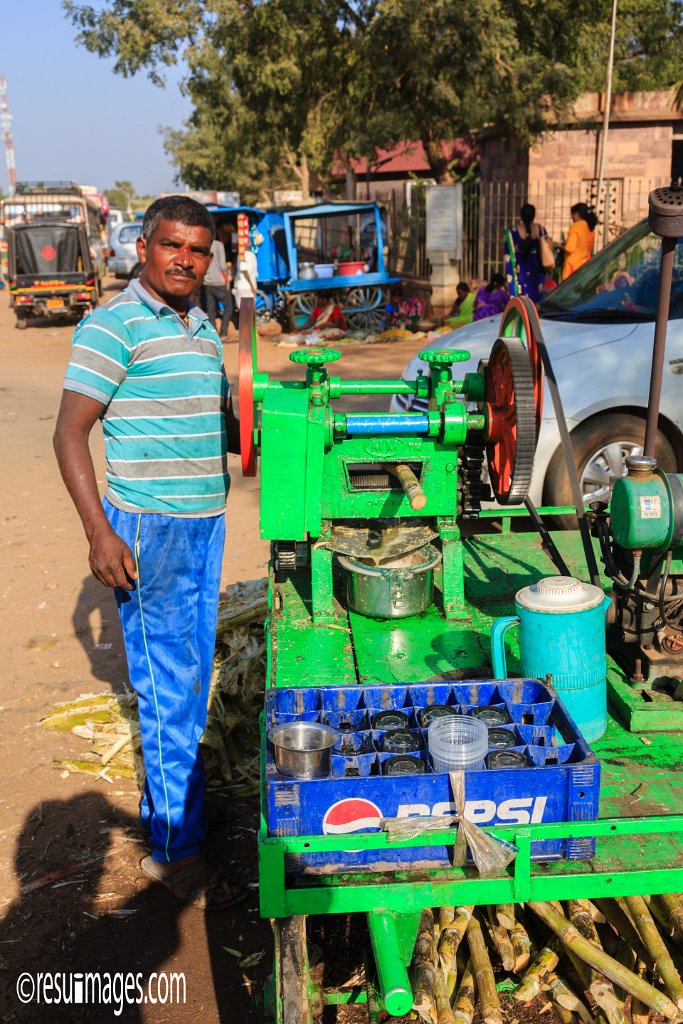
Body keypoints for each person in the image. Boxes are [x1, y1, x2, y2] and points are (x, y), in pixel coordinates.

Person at [52, 195, 245, 912]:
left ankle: (178, 814)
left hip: (205, 525)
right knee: (168, 688)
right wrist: (101, 533)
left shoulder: (202, 325)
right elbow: (69, 433)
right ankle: (174, 848)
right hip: (150, 530)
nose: (185, 260)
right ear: (143, 246)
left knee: (189, 678)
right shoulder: (113, 325)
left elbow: (218, 422)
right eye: (172, 246)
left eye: (198, 250)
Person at [504, 203, 550, 304]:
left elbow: (508, 257)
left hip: (520, 273)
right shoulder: (541, 230)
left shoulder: (512, 232)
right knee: (536, 303)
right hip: (537, 273)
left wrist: (509, 281)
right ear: (534, 215)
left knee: (522, 304)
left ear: (521, 215)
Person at [201, 235, 233, 340]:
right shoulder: (219, 245)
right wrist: (227, 281)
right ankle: (223, 334)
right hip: (219, 282)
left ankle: (213, 335)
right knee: (228, 306)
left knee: (211, 310)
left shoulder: (203, 245)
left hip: (207, 283)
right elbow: (223, 265)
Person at [561, 202, 598, 281]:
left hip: (573, 267)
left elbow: (569, 248)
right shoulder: (591, 228)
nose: (572, 217)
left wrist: (560, 246)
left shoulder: (576, 226)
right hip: (586, 265)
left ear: (577, 214)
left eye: (572, 214)